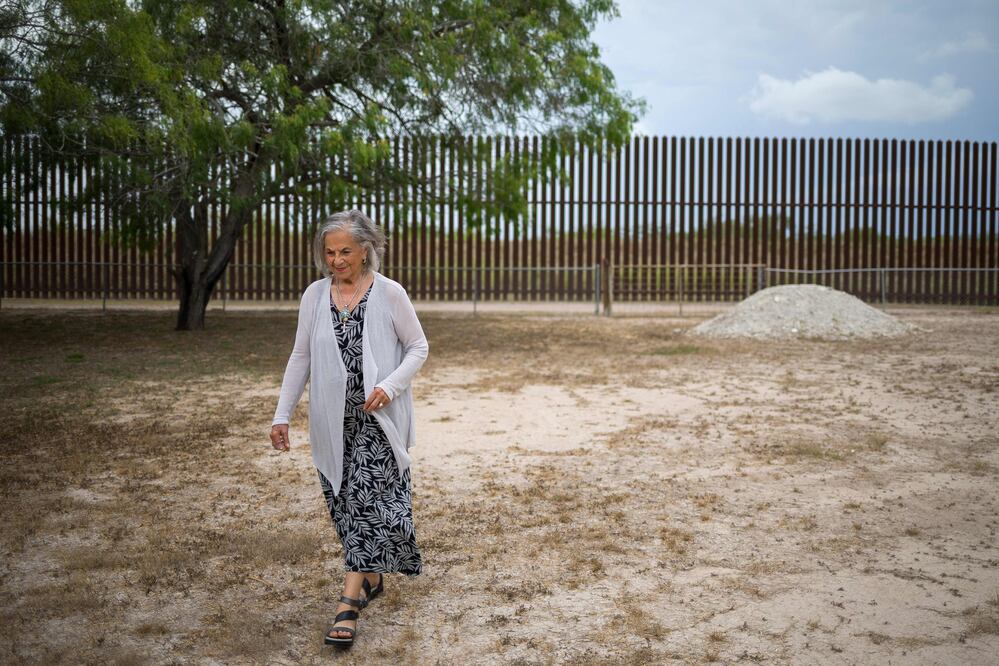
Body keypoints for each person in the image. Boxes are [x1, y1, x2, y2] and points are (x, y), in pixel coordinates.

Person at [268, 209, 428, 648]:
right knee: (344, 505)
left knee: (362, 501)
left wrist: (389, 386)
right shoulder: (315, 296)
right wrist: (282, 415)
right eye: (329, 252)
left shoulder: (389, 293)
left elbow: (418, 346)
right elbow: (300, 357)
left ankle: (347, 604)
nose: (336, 260)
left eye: (345, 251)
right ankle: (372, 575)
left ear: (365, 250)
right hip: (332, 423)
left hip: (378, 420)